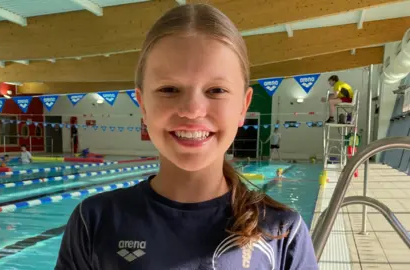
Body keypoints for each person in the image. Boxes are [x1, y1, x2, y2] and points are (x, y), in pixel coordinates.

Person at [56, 4, 317, 270]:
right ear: (142, 105)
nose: (192, 110)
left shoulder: (282, 234)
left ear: (243, 106)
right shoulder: (94, 223)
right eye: (169, 89)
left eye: (216, 90)